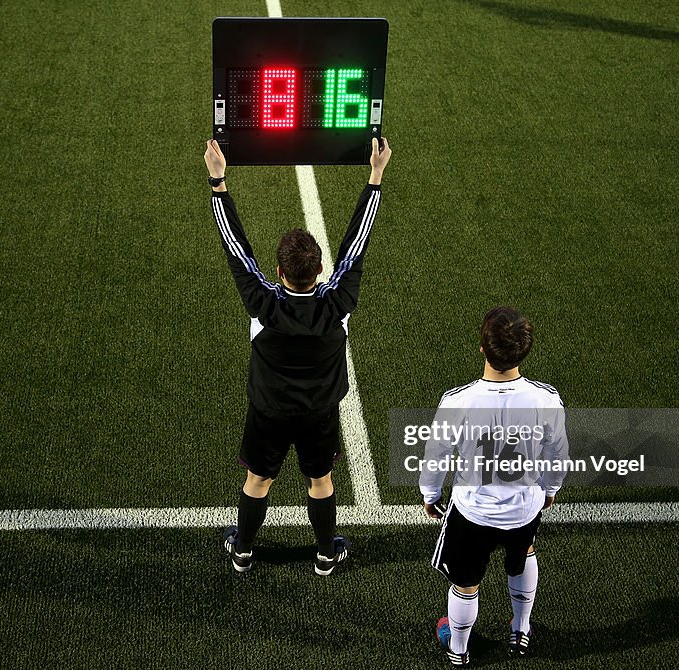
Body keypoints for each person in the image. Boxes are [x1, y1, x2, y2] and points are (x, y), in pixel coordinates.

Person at [204, 136, 392, 575]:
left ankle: (244, 550)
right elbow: (357, 244)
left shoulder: (263, 304)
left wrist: (219, 183)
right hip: (320, 414)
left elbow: (236, 247)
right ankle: (326, 553)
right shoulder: (336, 304)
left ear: (279, 272)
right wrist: (375, 176)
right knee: (320, 480)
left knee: (258, 479)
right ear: (320, 270)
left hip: (269, 412)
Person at [419, 306, 569, 666]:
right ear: (524, 351)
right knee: (524, 555)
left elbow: (436, 455)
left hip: (473, 512)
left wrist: (431, 494)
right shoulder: (546, 400)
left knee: (465, 583)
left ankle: (458, 650)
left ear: (482, 348)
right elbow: (558, 453)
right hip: (524, 508)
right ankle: (521, 628)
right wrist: (549, 490)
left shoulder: (458, 401)